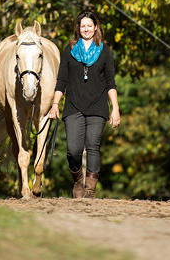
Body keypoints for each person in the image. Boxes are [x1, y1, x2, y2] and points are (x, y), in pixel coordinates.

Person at [48, 10, 121, 199]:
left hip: (98, 107)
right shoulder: (69, 49)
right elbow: (61, 80)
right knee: (73, 150)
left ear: (95, 27)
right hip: (73, 106)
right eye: (83, 26)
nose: (86, 29)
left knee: (93, 146)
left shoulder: (105, 51)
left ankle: (89, 190)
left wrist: (115, 109)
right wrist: (55, 104)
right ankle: (78, 179)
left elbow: (110, 82)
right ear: (78, 29)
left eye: (90, 25)